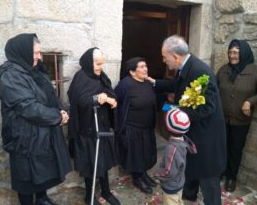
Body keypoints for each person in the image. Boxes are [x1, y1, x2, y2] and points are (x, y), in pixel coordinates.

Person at [147, 35, 226, 205]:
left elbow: (208, 107)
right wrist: (154, 83)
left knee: (207, 175)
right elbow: (176, 85)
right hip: (194, 131)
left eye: (164, 57)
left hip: (206, 135)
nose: (163, 60)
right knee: (191, 165)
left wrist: (179, 114)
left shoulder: (201, 71)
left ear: (175, 56)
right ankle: (189, 195)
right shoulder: (185, 67)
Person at [0, 33, 71, 205]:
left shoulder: (35, 71)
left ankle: (42, 199)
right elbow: (27, 107)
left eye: (40, 52)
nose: (39, 57)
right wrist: (56, 116)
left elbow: (50, 96)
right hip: (24, 137)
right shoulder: (11, 75)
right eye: (35, 53)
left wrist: (61, 110)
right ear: (22, 52)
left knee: (42, 171)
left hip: (42, 132)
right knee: (26, 178)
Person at [67, 48, 120, 205]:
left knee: (102, 160)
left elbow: (109, 92)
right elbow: (77, 101)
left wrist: (111, 100)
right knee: (91, 163)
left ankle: (106, 192)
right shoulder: (80, 78)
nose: (100, 67)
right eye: (97, 64)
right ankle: (89, 196)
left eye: (102, 64)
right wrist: (97, 98)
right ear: (89, 63)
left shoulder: (101, 76)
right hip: (87, 129)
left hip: (101, 126)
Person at [217, 39, 257, 192]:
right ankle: (221, 171)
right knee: (221, 146)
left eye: (236, 52)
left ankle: (231, 177)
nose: (232, 56)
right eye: (230, 52)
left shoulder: (255, 71)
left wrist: (250, 102)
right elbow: (215, 90)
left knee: (235, 149)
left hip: (241, 120)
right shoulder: (223, 70)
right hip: (222, 118)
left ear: (243, 53)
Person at [114, 57, 157, 194]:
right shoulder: (125, 85)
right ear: (132, 72)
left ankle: (143, 174)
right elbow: (115, 101)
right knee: (136, 155)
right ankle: (137, 178)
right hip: (132, 128)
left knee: (145, 153)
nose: (145, 69)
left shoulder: (147, 83)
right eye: (141, 67)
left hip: (147, 126)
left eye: (146, 66)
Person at [154, 108, 197, 205]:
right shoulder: (183, 140)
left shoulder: (172, 148)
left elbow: (168, 171)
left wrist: (158, 174)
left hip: (171, 186)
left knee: (171, 201)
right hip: (179, 181)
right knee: (178, 200)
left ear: (168, 128)